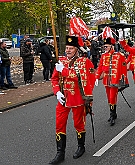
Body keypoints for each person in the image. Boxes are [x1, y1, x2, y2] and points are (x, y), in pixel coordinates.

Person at [49, 36, 95, 164]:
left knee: (78, 124)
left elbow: (78, 77)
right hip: (63, 98)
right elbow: (54, 79)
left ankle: (81, 147)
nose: (68, 50)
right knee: (59, 125)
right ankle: (60, 152)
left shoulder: (83, 62)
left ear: (76, 49)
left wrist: (62, 70)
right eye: (67, 48)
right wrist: (57, 92)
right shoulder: (61, 61)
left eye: (71, 48)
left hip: (77, 98)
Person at [95, 36, 129, 126]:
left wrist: (123, 80)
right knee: (109, 98)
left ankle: (112, 115)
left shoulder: (118, 56)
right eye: (104, 47)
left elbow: (123, 67)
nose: (105, 48)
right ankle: (113, 113)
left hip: (114, 79)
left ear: (112, 46)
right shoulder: (103, 56)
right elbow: (100, 67)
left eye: (106, 46)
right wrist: (97, 77)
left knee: (112, 97)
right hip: (106, 79)